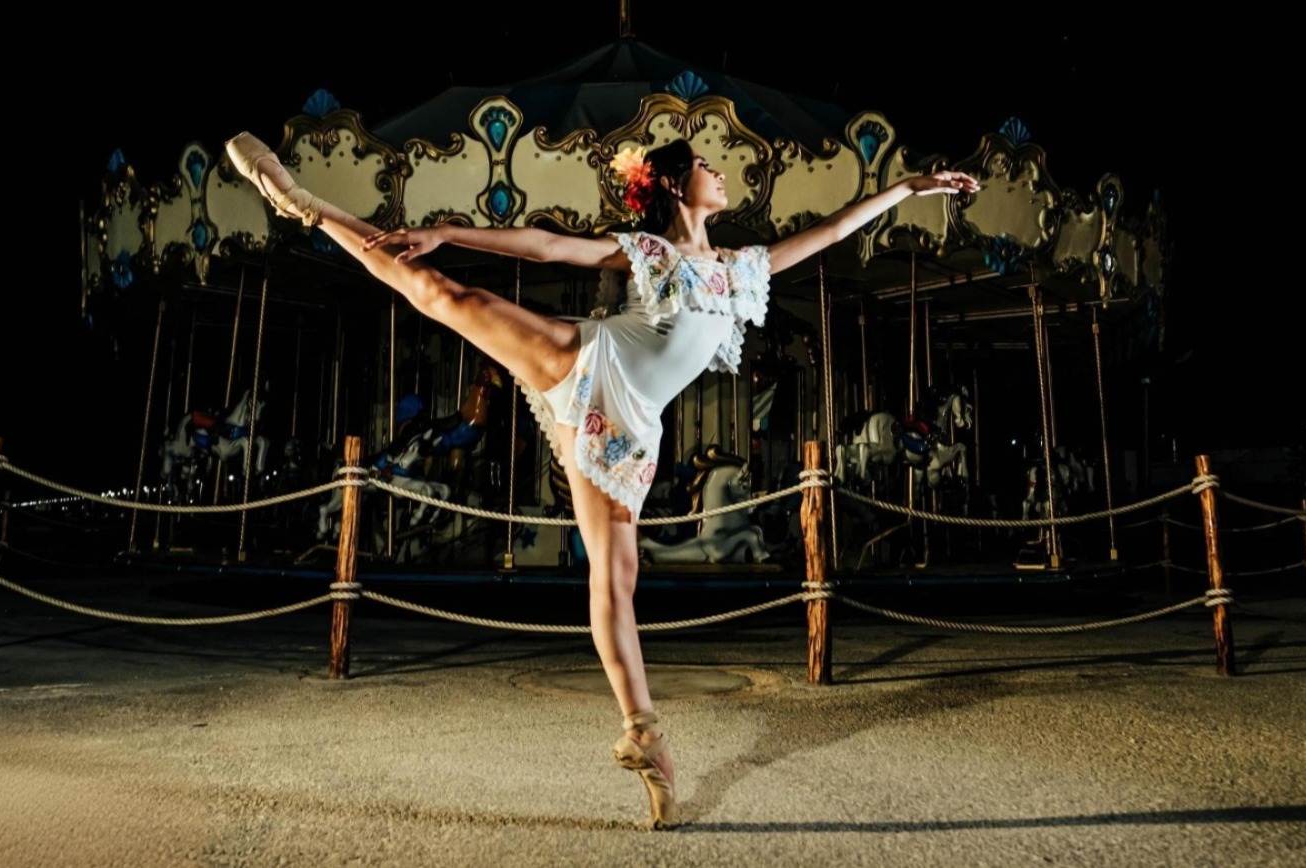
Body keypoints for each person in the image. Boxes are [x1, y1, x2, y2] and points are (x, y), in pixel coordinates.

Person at [224, 131, 978, 829]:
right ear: (682, 187)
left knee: (615, 582)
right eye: (708, 166)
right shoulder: (650, 250)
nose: (721, 173)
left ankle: (641, 733)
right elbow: (550, 248)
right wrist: (449, 232)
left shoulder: (745, 268)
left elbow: (838, 229)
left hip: (629, 429)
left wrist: (911, 187)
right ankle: (306, 205)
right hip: (589, 363)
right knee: (449, 296)